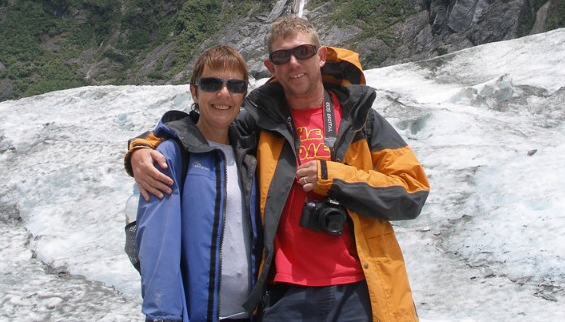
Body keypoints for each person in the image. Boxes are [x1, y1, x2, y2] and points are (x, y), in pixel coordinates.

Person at [126, 16, 430, 322]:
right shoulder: (259, 120)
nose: (294, 63)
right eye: (281, 57)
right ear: (271, 67)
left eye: (303, 52)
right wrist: (141, 147)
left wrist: (335, 178)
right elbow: (201, 124)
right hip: (285, 294)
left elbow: (412, 191)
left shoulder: (361, 118)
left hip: (359, 288)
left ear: (321, 56)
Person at [131, 45, 260, 322]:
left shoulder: (250, 154)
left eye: (234, 85)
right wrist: (164, 316)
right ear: (194, 91)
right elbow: (157, 247)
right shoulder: (172, 155)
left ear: (243, 96)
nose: (223, 93)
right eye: (212, 83)